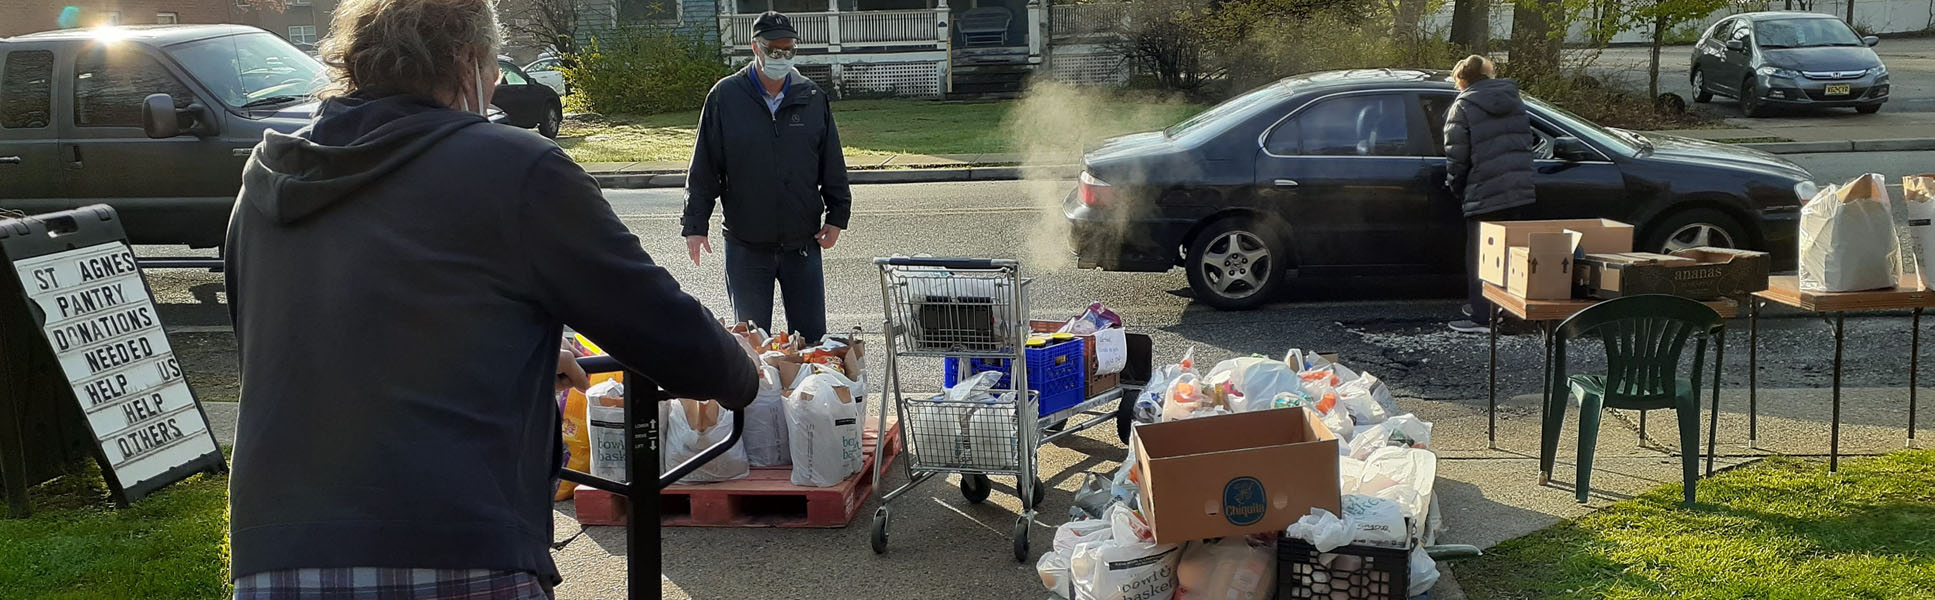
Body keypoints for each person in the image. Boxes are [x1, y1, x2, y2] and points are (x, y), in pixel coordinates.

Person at [223, 0, 759, 597]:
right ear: (465, 62)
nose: (497, 83)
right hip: (453, 542)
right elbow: (658, 323)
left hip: (274, 553)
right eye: (495, 66)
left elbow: (301, 342)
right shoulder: (515, 166)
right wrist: (742, 372)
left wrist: (512, 347)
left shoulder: (270, 178)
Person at [683, 10, 852, 344]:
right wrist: (694, 224)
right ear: (755, 48)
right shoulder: (725, 97)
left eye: (789, 50)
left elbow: (831, 161)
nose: (782, 56)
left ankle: (807, 398)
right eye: (774, 50)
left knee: (812, 341)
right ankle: (757, 398)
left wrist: (837, 216)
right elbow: (704, 166)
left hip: (802, 244)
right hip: (746, 246)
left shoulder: (812, 97)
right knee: (751, 342)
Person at [1443, 54, 1536, 334]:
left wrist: (1456, 187)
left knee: (1481, 258)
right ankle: (1506, 312)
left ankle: (1483, 317)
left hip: (1484, 192)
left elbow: (1457, 157)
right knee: (1510, 256)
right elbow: (1526, 141)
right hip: (1517, 190)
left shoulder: (1463, 105)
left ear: (1463, 80)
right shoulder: (1513, 100)